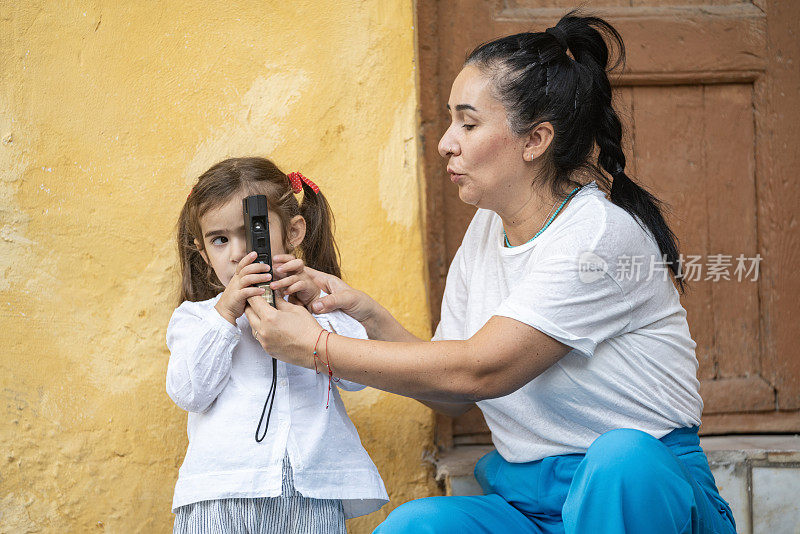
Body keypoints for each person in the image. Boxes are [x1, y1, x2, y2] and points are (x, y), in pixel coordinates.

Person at [244, 12, 738, 534]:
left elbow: (482, 370)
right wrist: (366, 314)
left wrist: (315, 348)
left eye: (469, 123)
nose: (446, 142)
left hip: (641, 498)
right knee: (416, 527)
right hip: (534, 505)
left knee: (622, 461)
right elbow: (454, 394)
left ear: (535, 140)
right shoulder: (487, 228)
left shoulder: (596, 237)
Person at [165, 157, 388, 533]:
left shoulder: (319, 303)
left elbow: (360, 376)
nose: (237, 253)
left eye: (252, 232)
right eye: (219, 240)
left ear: (294, 231)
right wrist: (225, 314)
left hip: (310, 493)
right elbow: (188, 392)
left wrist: (316, 306)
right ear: (203, 253)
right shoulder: (197, 318)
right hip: (223, 494)